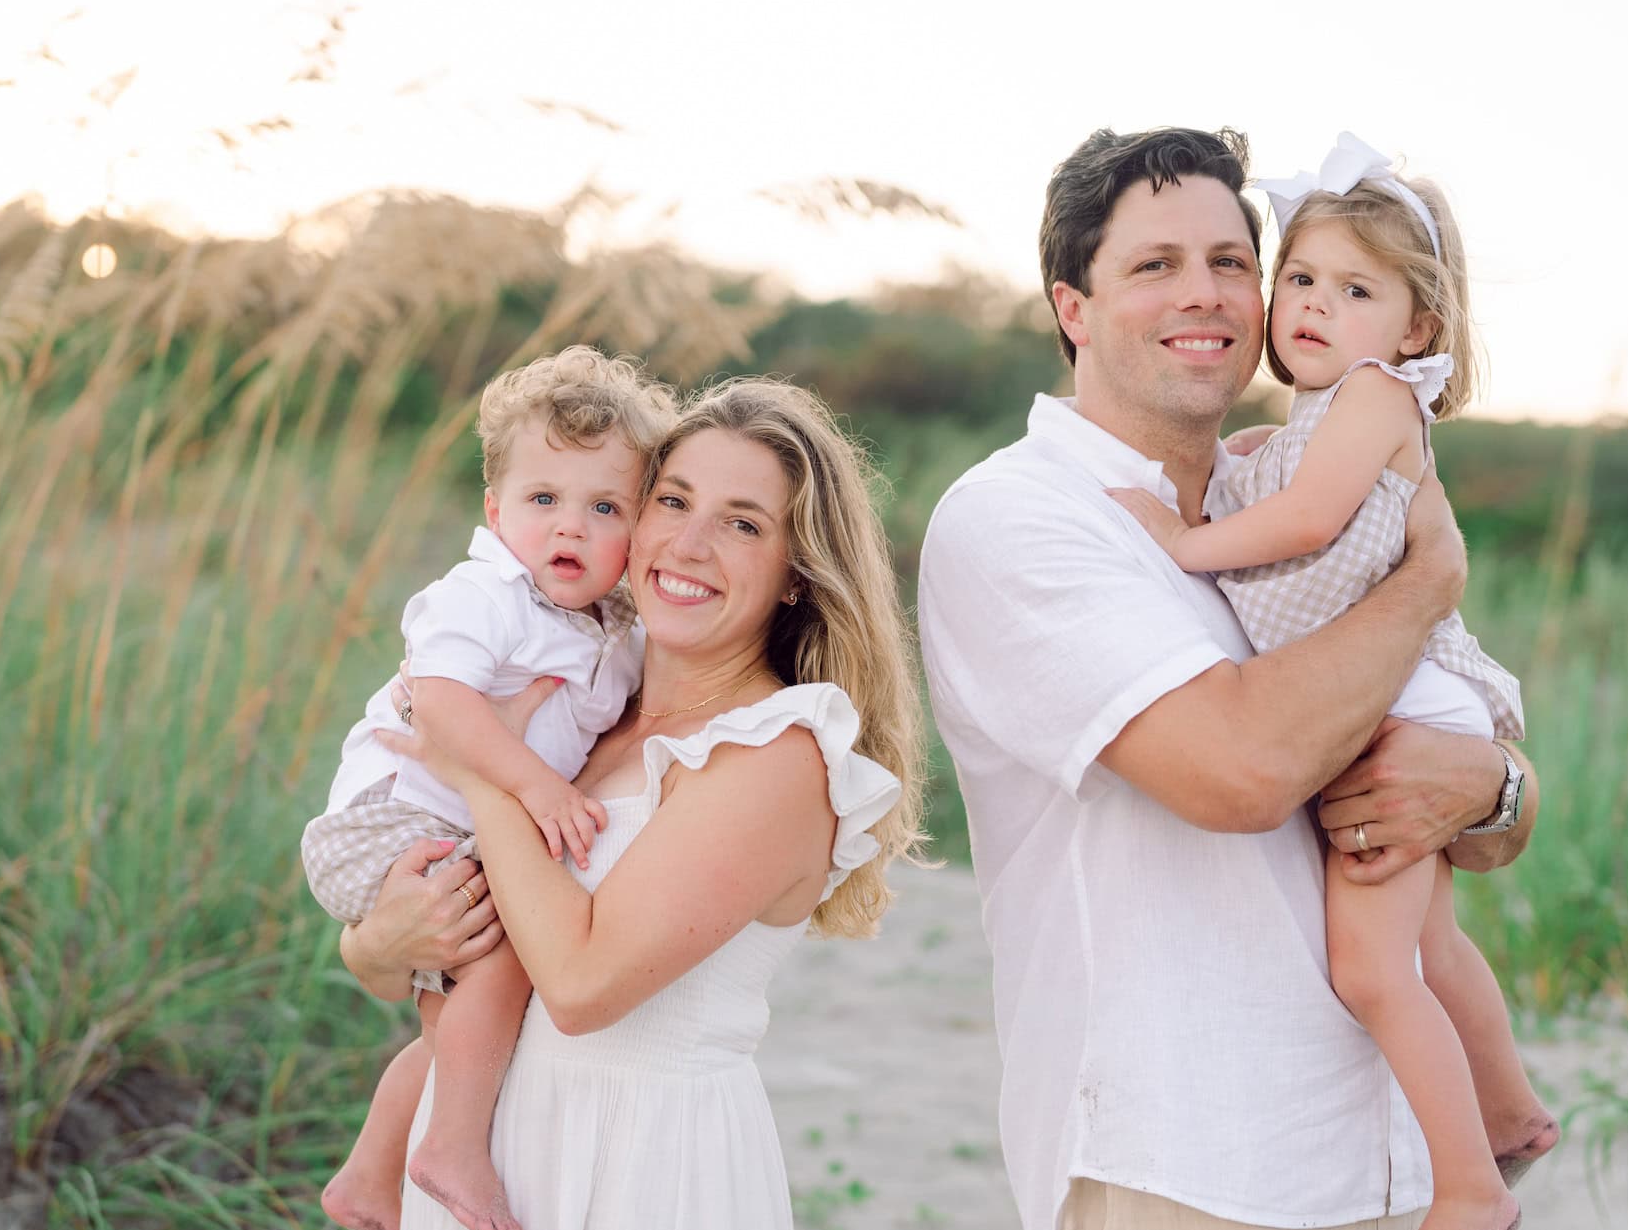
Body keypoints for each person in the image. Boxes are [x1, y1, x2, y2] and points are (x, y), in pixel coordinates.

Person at [917, 126, 1553, 1230]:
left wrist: (1495, 784)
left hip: (1377, 1157)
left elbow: (1464, 814)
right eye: (1153, 265)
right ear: (1072, 310)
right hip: (1190, 1160)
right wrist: (1425, 583)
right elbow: (1242, 771)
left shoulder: (1301, 495)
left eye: (1229, 263)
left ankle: (1496, 1126)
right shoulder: (1020, 518)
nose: (1204, 295)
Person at [345, 377, 926, 1230]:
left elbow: (579, 987)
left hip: (639, 1162)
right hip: (482, 1153)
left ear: (797, 572)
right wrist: (374, 946)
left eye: (742, 523)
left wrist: (477, 769)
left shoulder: (778, 754)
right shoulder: (585, 695)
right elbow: (421, 960)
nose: (688, 544)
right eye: (673, 501)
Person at [1106, 132, 1549, 1230]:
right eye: (1298, 278)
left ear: (1417, 327)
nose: (1312, 304)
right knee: (1430, 945)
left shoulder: (1371, 401)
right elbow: (1287, 480)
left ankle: (1469, 1188)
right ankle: (1510, 1115)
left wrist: (1177, 540)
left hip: (1398, 708)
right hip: (1393, 696)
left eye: (1353, 288)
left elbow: (1303, 522)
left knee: (1369, 970)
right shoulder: (1315, 418)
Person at [303, 346, 673, 1230]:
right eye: (543, 500)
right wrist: (538, 787)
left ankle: (370, 1174)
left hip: (452, 824)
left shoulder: (613, 632)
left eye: (604, 507)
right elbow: (439, 708)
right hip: (390, 822)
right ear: (494, 510)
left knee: (455, 1025)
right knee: (508, 956)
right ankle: (452, 1147)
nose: (569, 529)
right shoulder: (485, 594)